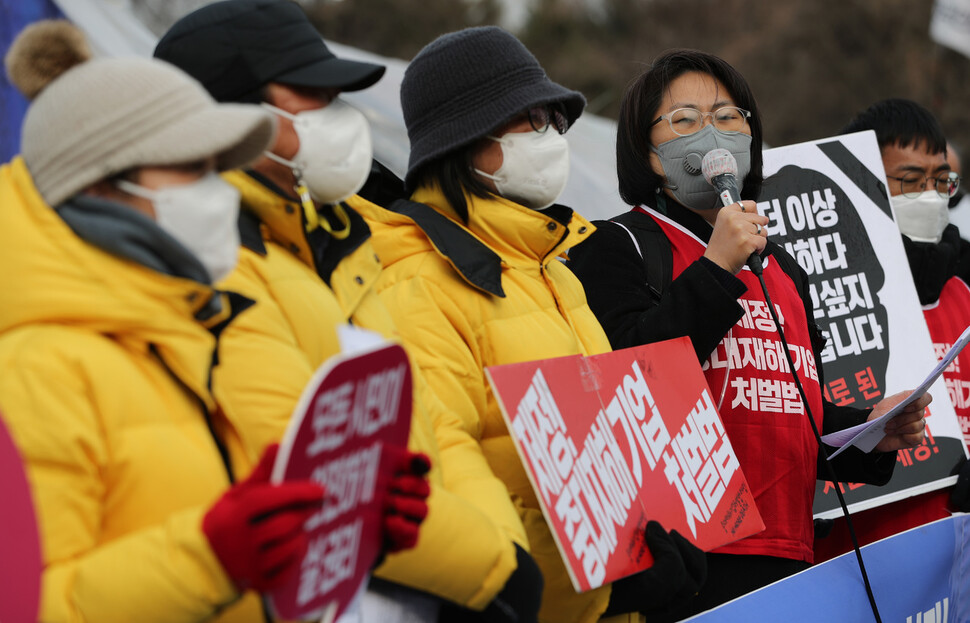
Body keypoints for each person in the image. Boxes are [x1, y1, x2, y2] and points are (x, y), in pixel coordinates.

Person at [154, 1, 540, 620]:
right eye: (312, 96)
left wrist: (503, 554)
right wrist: (486, 568)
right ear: (227, 119)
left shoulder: (335, 248)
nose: (341, 116)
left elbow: (426, 421)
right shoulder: (215, 265)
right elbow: (314, 475)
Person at [351, 26, 708, 623]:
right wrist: (600, 586)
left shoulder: (552, 270)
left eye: (554, 119)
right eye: (530, 118)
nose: (551, 135)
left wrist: (660, 536)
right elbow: (448, 476)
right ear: (466, 136)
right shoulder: (414, 285)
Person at [567, 49, 929, 615]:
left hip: (791, 554)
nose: (712, 134)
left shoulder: (782, 265)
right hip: (687, 561)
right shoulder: (616, 246)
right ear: (650, 153)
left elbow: (792, 410)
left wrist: (870, 432)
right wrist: (715, 269)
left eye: (729, 117)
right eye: (686, 120)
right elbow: (627, 384)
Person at [0, 20, 320, 622]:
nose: (219, 191)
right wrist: (208, 560)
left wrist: (350, 515)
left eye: (216, 166)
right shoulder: (35, 369)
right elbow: (26, 606)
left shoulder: (178, 337)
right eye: (189, 167)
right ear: (98, 185)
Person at [813, 99, 970, 562]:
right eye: (909, 181)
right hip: (857, 564)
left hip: (957, 556)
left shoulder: (964, 287)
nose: (929, 194)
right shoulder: (807, 292)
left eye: (941, 181)